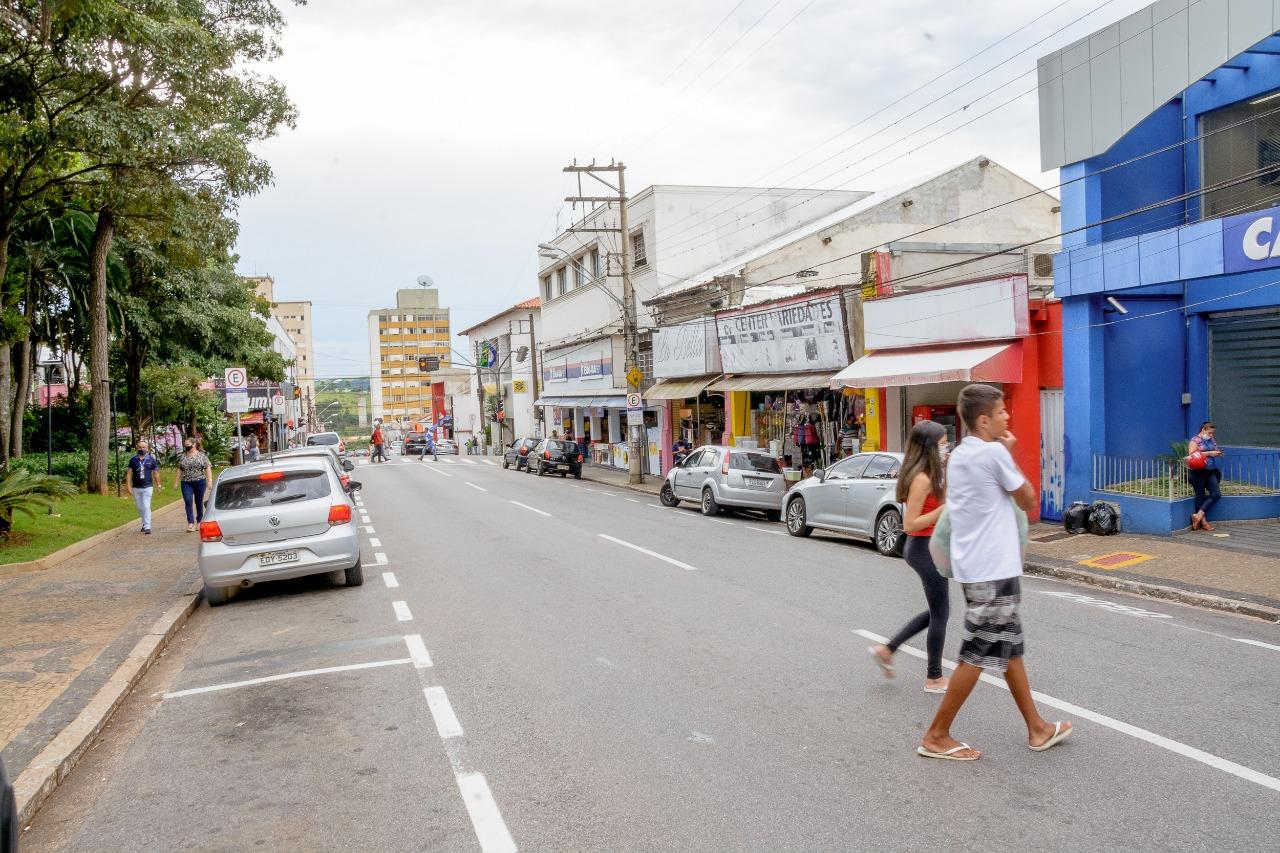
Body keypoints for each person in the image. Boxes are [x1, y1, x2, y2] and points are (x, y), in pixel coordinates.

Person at [918, 384, 1071, 762]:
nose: (1008, 417)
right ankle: (936, 735)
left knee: (1008, 647)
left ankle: (1037, 728)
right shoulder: (991, 454)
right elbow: (1028, 498)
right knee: (978, 649)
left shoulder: (960, 455)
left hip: (977, 568)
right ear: (984, 420)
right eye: (1002, 412)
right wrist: (1007, 454)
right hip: (992, 569)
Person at [868, 421, 951, 694]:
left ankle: (887, 649)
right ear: (929, 448)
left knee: (937, 611)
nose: (946, 448)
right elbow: (911, 524)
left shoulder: (931, 474)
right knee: (940, 613)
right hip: (922, 547)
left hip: (929, 546)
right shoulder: (922, 478)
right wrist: (944, 511)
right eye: (942, 444)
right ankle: (934, 678)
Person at [1188, 421, 1224, 531]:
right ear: (1203, 429)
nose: (1211, 435)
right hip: (1198, 471)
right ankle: (1203, 522)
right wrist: (1209, 453)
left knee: (1216, 494)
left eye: (1212, 433)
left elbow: (1215, 449)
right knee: (1200, 496)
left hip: (1210, 470)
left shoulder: (1211, 440)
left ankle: (1197, 516)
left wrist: (1218, 453)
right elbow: (1191, 455)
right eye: (1209, 433)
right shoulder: (1195, 440)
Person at [174, 439, 213, 533]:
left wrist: (210, 480)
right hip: (186, 482)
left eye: (188, 445)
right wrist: (176, 482)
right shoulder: (183, 457)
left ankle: (199, 521)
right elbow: (180, 469)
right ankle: (190, 523)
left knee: (198, 501)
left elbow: (207, 467)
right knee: (188, 500)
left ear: (194, 444)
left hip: (199, 481)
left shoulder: (201, 455)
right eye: (185, 445)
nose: (186, 446)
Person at [126, 440, 162, 535]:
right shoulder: (133, 460)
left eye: (144, 447)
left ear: (147, 448)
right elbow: (129, 473)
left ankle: (147, 527)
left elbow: (156, 473)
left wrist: (159, 485)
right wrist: (128, 486)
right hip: (136, 487)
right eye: (140, 447)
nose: (142, 449)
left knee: (146, 506)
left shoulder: (151, 459)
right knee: (140, 507)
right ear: (137, 448)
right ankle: (144, 523)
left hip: (147, 487)